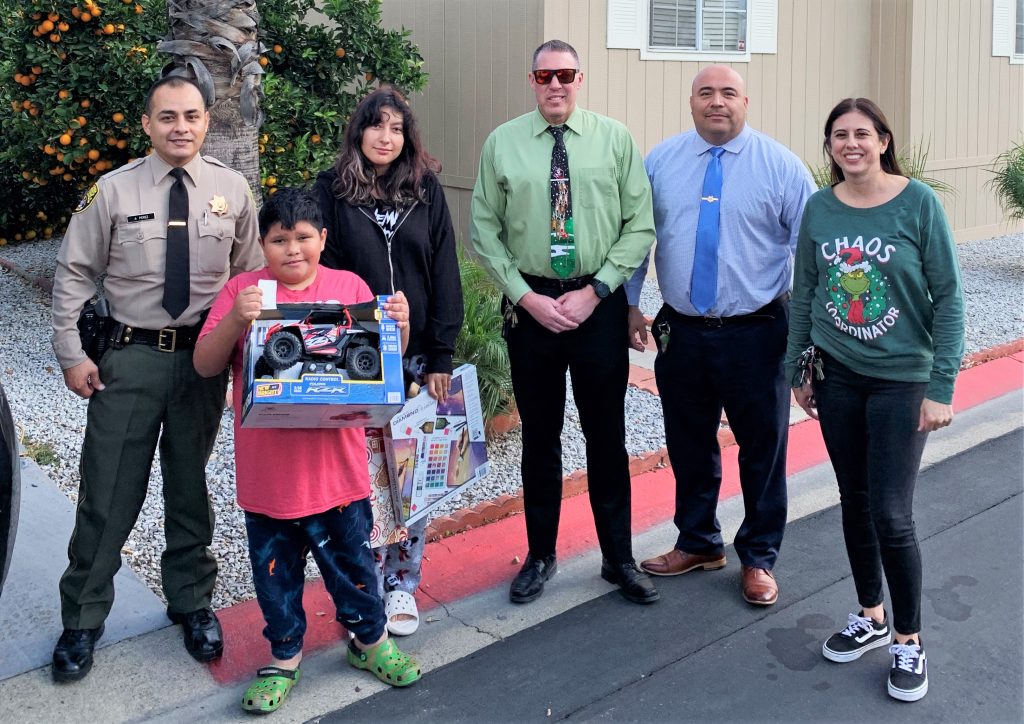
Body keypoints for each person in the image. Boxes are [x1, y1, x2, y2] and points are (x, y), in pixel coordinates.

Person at [49, 76, 264, 682]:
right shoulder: (113, 191)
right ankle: (83, 618)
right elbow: (73, 273)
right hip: (130, 358)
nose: (180, 127)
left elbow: (248, 281)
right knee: (108, 489)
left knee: (189, 485)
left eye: (191, 116)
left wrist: (247, 359)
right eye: (167, 117)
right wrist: (72, 353)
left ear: (206, 121)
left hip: (203, 359)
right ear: (147, 124)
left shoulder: (232, 189)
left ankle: (192, 602)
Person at [193, 187, 422, 714]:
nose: (291, 249)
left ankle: (370, 641)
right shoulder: (242, 291)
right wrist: (236, 320)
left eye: (302, 238)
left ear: (322, 239)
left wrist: (401, 327)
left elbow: (381, 365)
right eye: (278, 240)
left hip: (339, 472)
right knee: (275, 577)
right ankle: (285, 655)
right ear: (261, 242)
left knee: (355, 567)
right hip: (268, 478)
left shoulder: (350, 286)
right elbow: (205, 365)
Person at [785, 98, 964, 702]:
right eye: (840, 135)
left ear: (884, 140)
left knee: (892, 512)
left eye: (863, 133)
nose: (851, 144)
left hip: (900, 381)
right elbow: (805, 291)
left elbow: (949, 298)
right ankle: (872, 616)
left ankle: (909, 640)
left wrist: (940, 388)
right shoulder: (820, 208)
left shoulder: (919, 204)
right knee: (854, 502)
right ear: (830, 145)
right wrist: (797, 370)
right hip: (838, 377)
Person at [470, 39, 658, 605]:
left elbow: (639, 224)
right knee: (541, 438)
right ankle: (541, 555)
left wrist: (598, 291)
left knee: (607, 436)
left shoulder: (614, 139)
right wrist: (526, 298)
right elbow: (484, 231)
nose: (555, 85)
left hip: (594, 310)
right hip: (532, 313)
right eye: (544, 75)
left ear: (581, 78)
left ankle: (618, 559)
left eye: (566, 75)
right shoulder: (503, 143)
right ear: (532, 80)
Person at [625, 65, 815, 606]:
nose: (717, 102)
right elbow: (637, 239)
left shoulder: (781, 167)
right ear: (690, 103)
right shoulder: (660, 162)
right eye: (705, 93)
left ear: (746, 102)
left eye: (728, 93)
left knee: (763, 447)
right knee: (688, 442)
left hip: (758, 332)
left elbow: (810, 249)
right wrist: (630, 304)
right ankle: (699, 541)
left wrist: (804, 332)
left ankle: (759, 556)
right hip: (681, 331)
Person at [313, 86, 463, 636]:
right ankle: (365, 587)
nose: (386, 136)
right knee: (361, 481)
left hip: (418, 361)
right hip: (355, 360)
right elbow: (319, 274)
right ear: (358, 132)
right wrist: (370, 320)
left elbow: (444, 270)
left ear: (408, 138)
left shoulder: (425, 190)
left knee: (412, 478)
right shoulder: (331, 191)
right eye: (376, 125)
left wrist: (441, 352)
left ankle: (402, 584)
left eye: (396, 128)